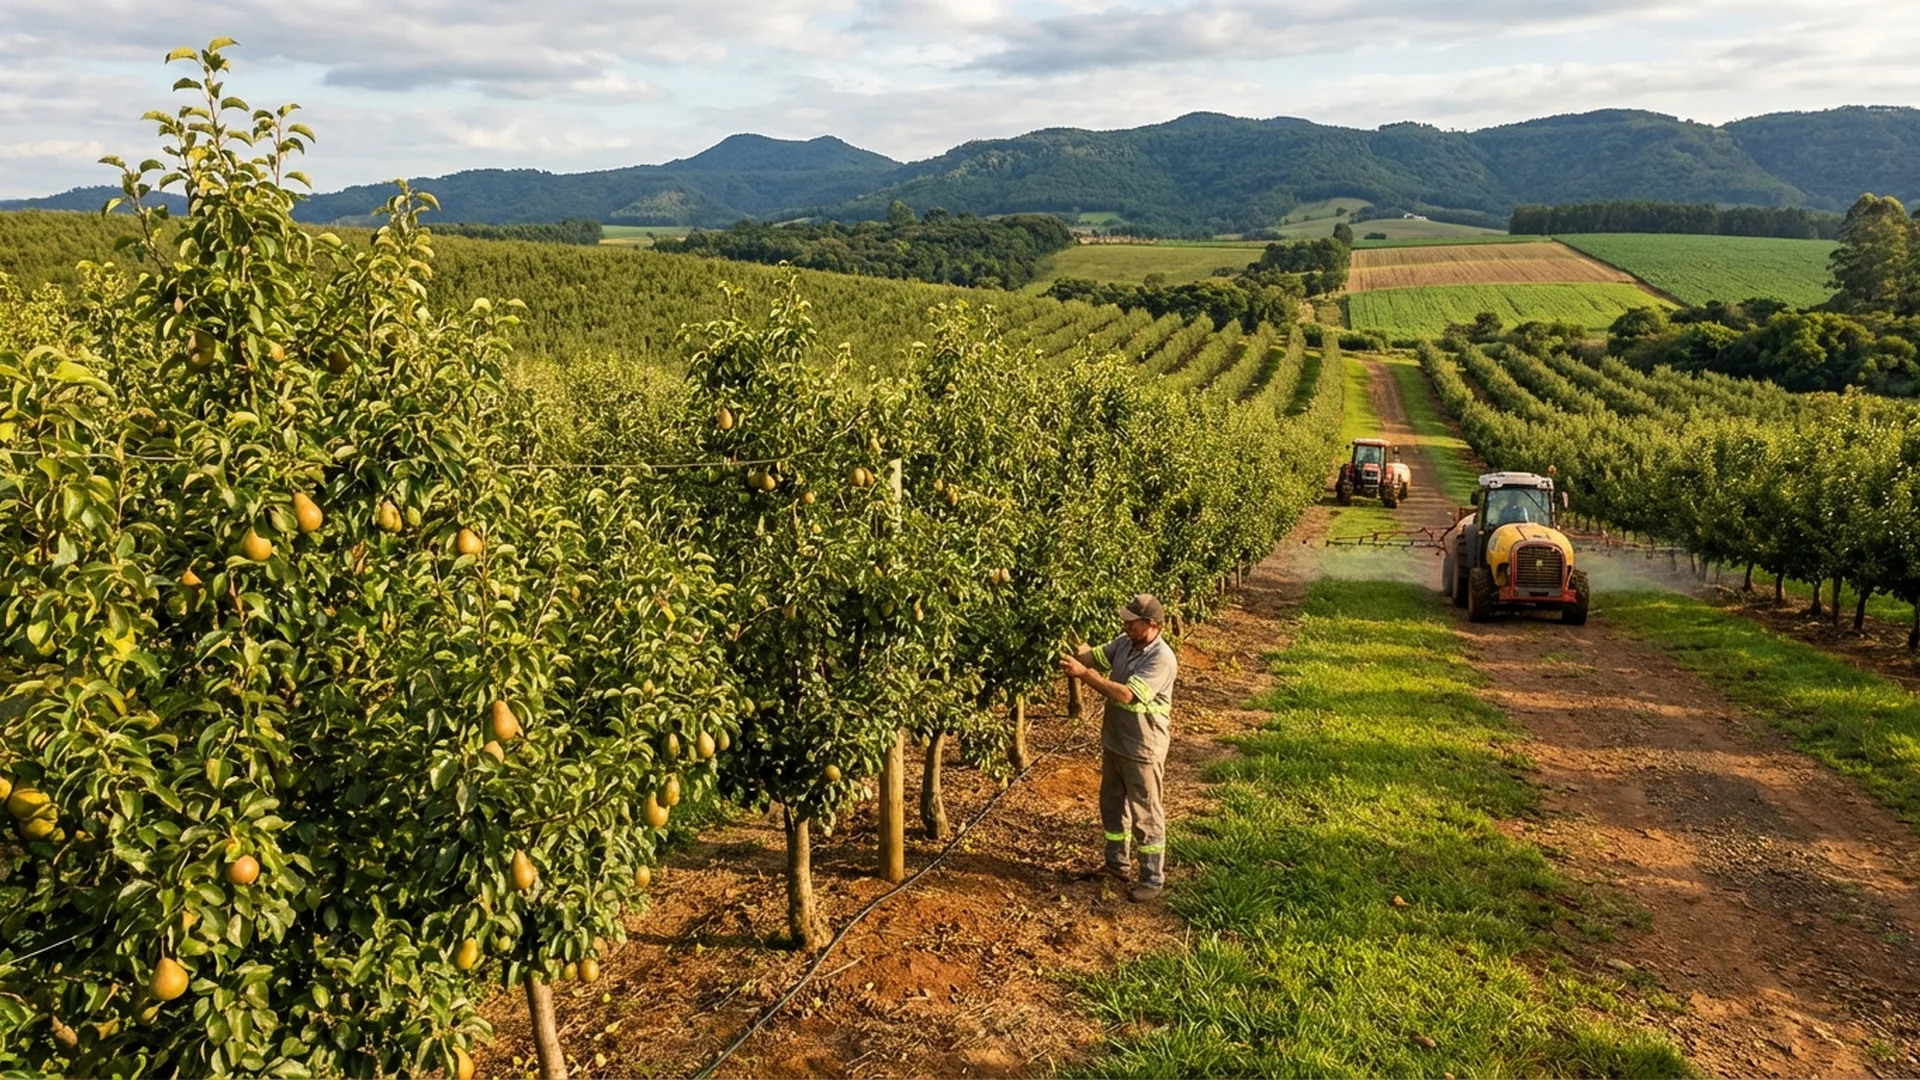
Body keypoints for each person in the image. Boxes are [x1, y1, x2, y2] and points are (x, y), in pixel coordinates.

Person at [1059, 593, 1179, 902]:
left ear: (1151, 624)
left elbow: (1127, 695)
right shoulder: (1125, 643)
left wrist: (1085, 675)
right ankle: (1116, 864)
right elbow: (1091, 656)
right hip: (1115, 742)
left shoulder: (1161, 658)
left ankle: (1152, 878)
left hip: (1143, 749)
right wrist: (1063, 634)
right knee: (1112, 807)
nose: (1125, 625)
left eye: (1132, 622)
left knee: (1145, 814)